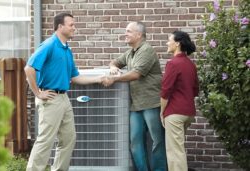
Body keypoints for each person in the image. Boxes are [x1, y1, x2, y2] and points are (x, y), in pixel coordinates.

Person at [24, 12, 103, 171]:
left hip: (63, 98)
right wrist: (38, 93)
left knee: (68, 138)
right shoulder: (49, 45)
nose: (74, 28)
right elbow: (29, 68)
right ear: (60, 27)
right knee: (45, 140)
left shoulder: (67, 50)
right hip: (50, 98)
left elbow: (75, 77)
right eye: (71, 25)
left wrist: (99, 79)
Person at [103, 22, 167, 171]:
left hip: (151, 103)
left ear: (139, 34)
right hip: (136, 105)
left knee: (158, 141)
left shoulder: (146, 50)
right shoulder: (131, 52)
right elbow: (115, 62)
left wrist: (114, 79)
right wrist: (113, 67)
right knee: (134, 141)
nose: (125, 34)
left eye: (128, 31)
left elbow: (136, 74)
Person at [160, 31, 199, 171]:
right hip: (188, 113)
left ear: (177, 43)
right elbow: (195, 90)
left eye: (169, 40)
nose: (167, 43)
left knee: (175, 153)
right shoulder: (191, 64)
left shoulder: (173, 64)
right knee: (179, 149)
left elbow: (165, 91)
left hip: (175, 113)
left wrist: (162, 112)